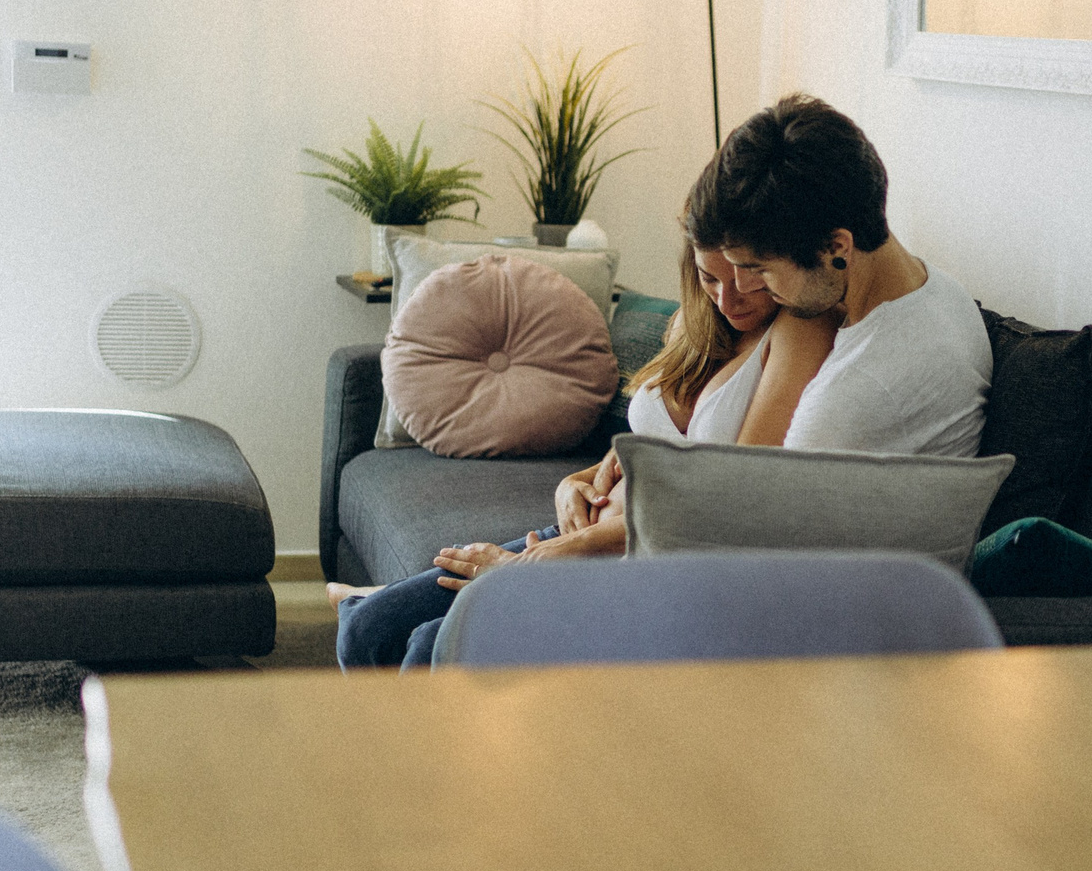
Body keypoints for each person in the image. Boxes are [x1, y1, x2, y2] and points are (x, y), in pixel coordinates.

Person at [333, 241, 835, 669]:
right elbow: (657, 440)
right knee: (370, 632)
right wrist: (576, 479)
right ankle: (366, 605)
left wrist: (537, 563)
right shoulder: (696, 322)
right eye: (709, 277)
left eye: (745, 279)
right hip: (582, 529)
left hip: (621, 555)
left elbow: (732, 490)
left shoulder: (794, 332)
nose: (728, 298)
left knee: (426, 647)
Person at [682, 93, 990, 458]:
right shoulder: (936, 290)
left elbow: (740, 511)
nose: (746, 286)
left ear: (836, 249)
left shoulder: (853, 394)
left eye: (760, 269)